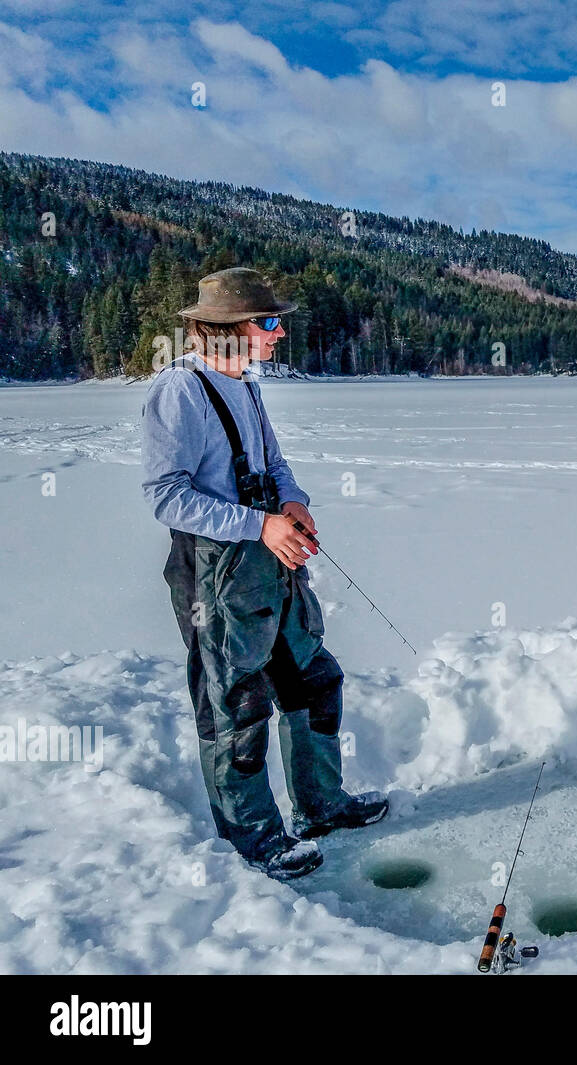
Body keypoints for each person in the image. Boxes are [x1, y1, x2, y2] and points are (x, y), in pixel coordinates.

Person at [142, 267, 388, 881]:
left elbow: (272, 463)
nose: (279, 334)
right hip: (217, 571)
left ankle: (321, 806)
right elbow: (166, 496)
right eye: (269, 322)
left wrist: (292, 502)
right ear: (226, 329)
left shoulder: (246, 385)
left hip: (269, 564)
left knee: (313, 679)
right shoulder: (179, 392)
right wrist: (259, 527)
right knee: (236, 702)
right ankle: (253, 839)